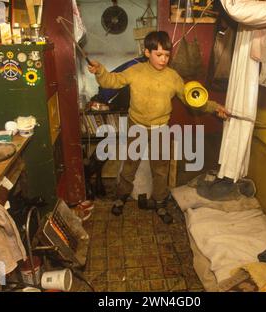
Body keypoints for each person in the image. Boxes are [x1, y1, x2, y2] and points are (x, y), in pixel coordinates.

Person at [88, 31, 228, 224]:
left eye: (167, 55)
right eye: (159, 55)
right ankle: (121, 197)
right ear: (147, 52)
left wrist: (215, 107)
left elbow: (192, 100)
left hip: (160, 129)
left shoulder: (173, 77)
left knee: (160, 169)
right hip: (136, 126)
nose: (164, 60)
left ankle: (160, 202)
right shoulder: (135, 71)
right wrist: (100, 71)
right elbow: (112, 81)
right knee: (130, 165)